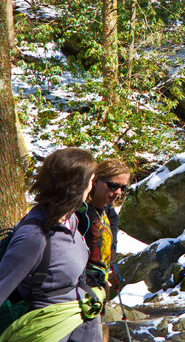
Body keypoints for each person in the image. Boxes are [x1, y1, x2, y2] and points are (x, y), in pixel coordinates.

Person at [0, 147, 104, 342]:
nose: (93, 184)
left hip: (81, 326)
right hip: (48, 331)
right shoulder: (34, 236)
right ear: (77, 186)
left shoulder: (71, 219)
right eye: (92, 179)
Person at [77, 159, 129, 290]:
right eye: (112, 186)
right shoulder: (78, 212)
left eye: (123, 188)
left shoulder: (109, 213)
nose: (118, 192)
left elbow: (111, 248)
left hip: (99, 285)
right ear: (95, 181)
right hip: (78, 287)